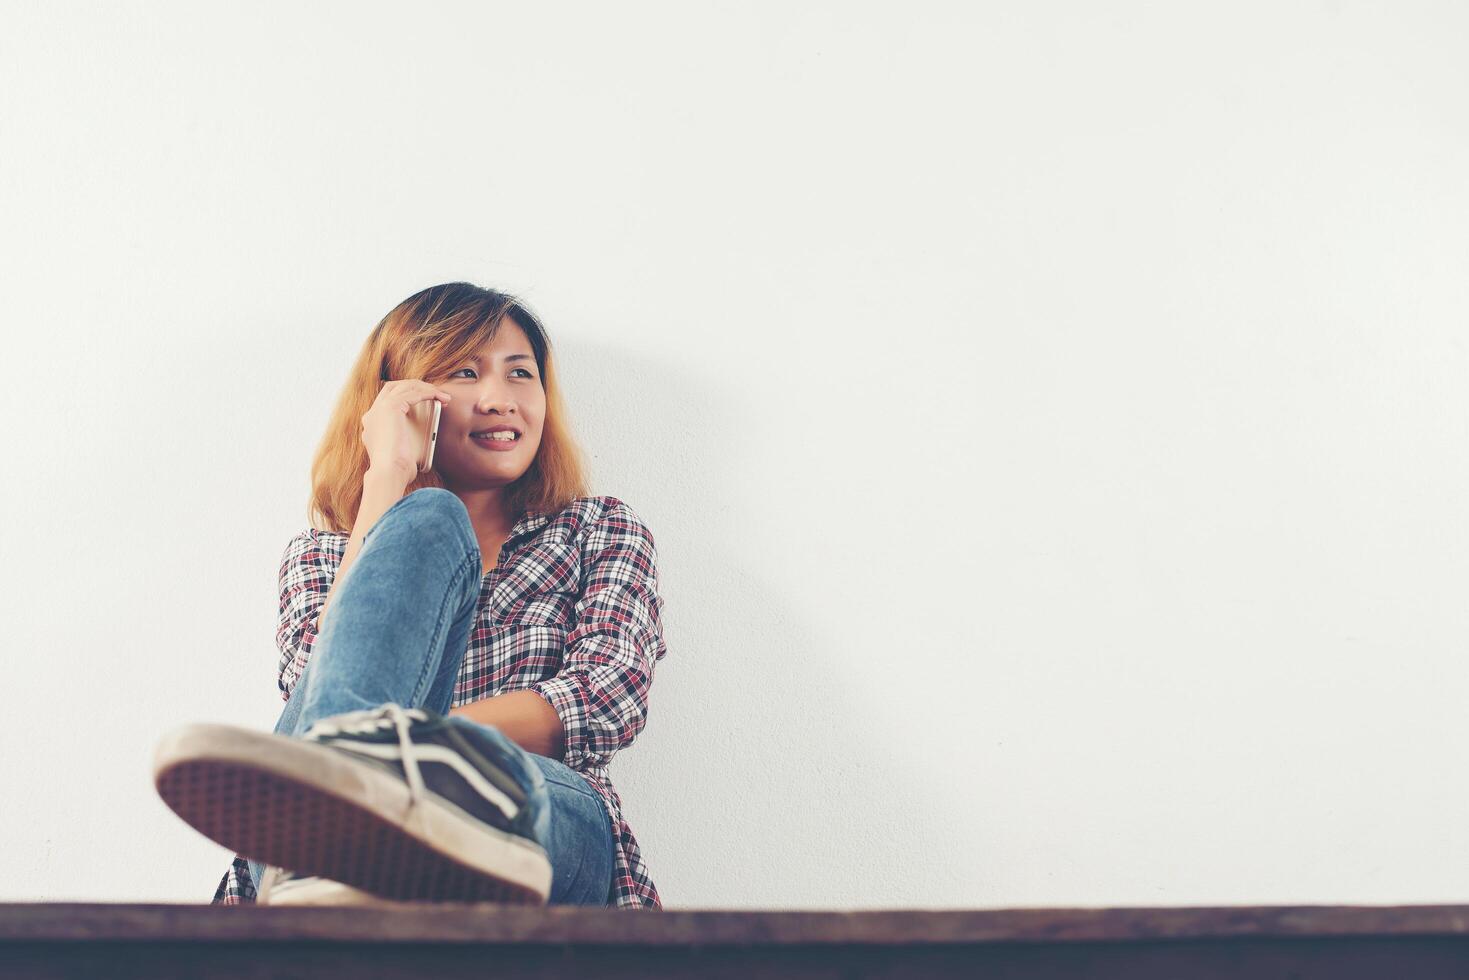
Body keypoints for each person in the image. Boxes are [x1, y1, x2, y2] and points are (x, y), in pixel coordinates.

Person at [152, 283, 668, 909]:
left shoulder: (599, 531)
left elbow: (605, 696)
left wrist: (408, 762)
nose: (498, 398)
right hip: (313, 841)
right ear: (403, 399)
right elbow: (315, 694)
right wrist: (388, 478)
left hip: (536, 816)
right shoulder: (317, 557)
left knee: (519, 794)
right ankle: (343, 840)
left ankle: (355, 811)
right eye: (464, 372)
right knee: (428, 518)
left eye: (520, 374)